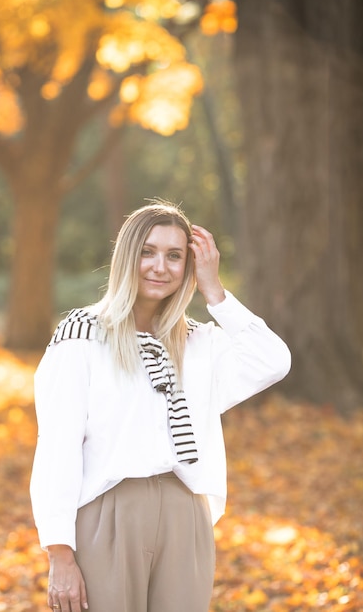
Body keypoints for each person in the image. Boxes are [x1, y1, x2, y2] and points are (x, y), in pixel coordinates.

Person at [30, 201, 291, 612]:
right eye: (147, 252)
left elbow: (274, 361)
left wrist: (214, 292)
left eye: (175, 256)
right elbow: (57, 446)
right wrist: (59, 551)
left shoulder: (200, 343)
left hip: (185, 514)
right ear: (127, 257)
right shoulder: (83, 336)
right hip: (107, 515)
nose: (160, 266)